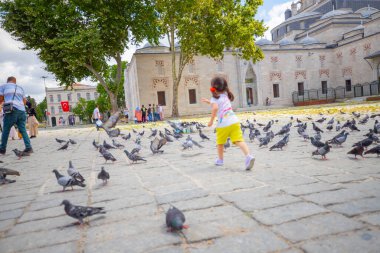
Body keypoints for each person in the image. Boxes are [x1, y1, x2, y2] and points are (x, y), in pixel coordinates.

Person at [201, 76, 254, 170]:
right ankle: (248, 156)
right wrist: (209, 102)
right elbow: (220, 104)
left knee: (220, 143)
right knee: (239, 140)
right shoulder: (226, 96)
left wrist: (211, 121)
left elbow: (216, 108)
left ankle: (220, 160)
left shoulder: (214, 99)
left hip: (223, 125)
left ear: (213, 88)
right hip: (234, 122)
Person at [0, 76, 33, 154]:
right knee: (23, 130)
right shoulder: (20, 88)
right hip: (22, 111)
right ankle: (28, 147)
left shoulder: (3, 86)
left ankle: (2, 149)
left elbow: (0, 99)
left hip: (11, 110)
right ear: (15, 81)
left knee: (5, 130)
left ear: (7, 81)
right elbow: (24, 101)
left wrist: (6, 100)